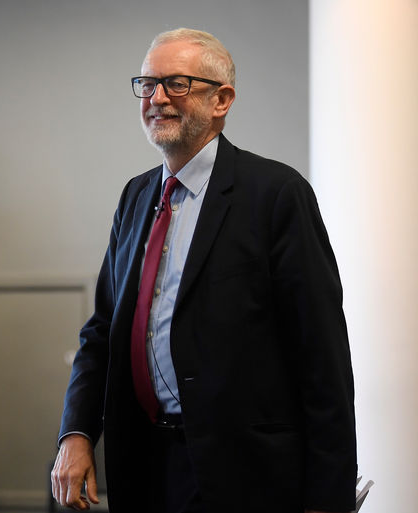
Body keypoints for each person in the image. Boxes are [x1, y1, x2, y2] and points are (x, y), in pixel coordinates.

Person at [51, 28, 356, 513]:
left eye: (176, 83)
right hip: (146, 466)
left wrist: (327, 498)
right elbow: (102, 331)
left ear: (222, 100)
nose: (156, 98)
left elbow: (322, 357)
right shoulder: (135, 197)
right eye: (147, 84)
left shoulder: (276, 194)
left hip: (247, 474)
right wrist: (77, 431)